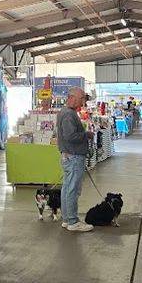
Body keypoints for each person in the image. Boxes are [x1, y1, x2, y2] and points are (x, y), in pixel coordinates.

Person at [56, 86, 92, 233]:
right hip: (74, 156)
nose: (83, 101)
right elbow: (70, 136)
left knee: (67, 188)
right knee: (72, 189)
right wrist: (86, 135)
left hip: (69, 155)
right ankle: (72, 221)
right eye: (82, 98)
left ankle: (67, 219)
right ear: (73, 98)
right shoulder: (69, 115)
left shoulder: (66, 113)